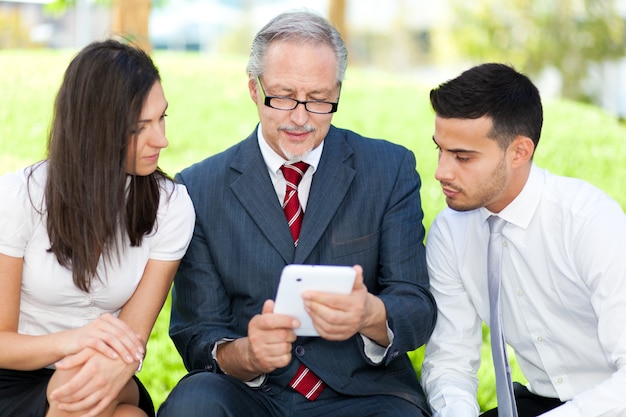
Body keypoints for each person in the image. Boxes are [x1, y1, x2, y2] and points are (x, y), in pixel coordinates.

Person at [158, 9, 436, 417]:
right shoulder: (200, 188)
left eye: (320, 100)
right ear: (253, 88)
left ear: (338, 90)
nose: (301, 118)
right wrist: (248, 354)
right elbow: (198, 333)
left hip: (363, 396)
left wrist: (370, 314)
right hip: (252, 394)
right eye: (284, 97)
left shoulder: (389, 168)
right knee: (193, 404)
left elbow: (415, 304)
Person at [0, 40, 195, 417]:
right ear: (95, 129)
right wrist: (76, 341)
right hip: (13, 376)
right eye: (141, 127)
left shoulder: (171, 207)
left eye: (162, 118)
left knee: (75, 387)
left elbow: (132, 339)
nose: (162, 140)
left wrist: (87, 352)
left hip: (109, 371)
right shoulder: (18, 198)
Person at [421, 62, 626, 417]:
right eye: (440, 149)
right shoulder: (450, 231)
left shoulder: (589, 222)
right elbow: (450, 361)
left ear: (519, 152)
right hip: (539, 402)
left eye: (462, 157)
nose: (441, 171)